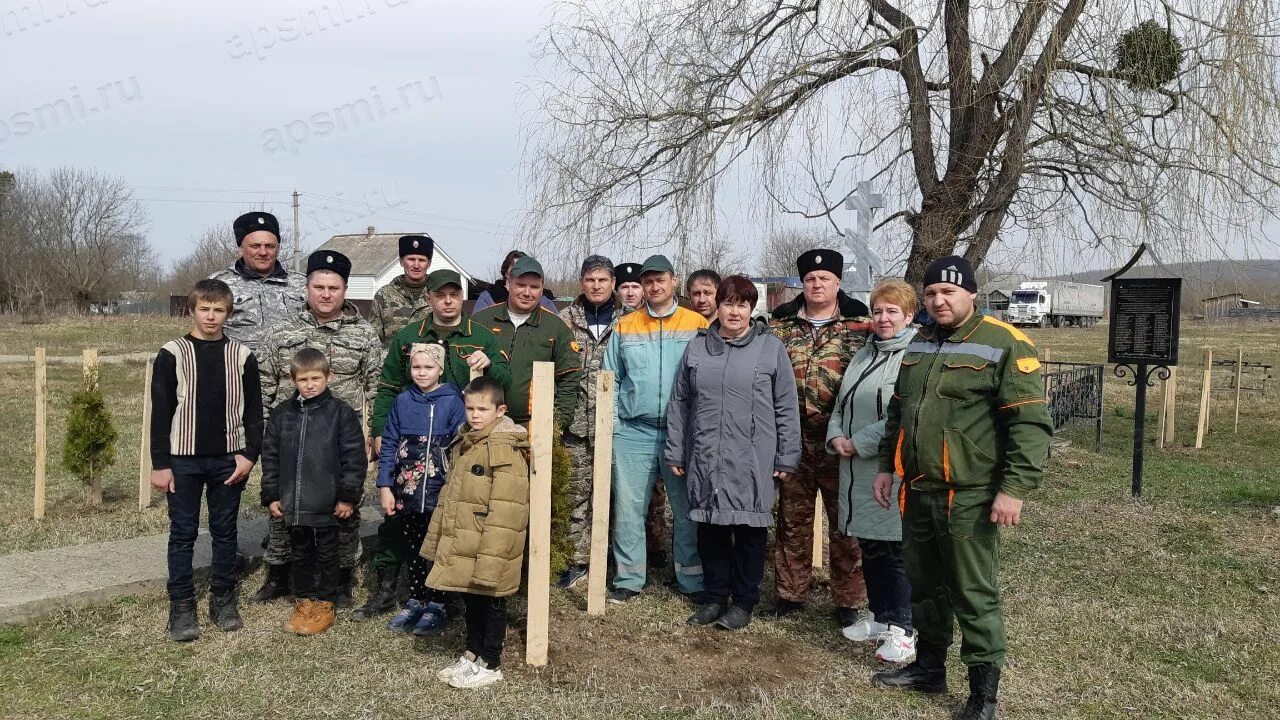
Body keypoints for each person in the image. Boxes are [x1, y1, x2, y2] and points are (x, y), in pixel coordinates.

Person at [869, 257, 1052, 720]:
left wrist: (1014, 489)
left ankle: (982, 696)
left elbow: (1030, 423)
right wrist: (887, 467)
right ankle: (930, 670)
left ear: (972, 294)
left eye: (948, 293)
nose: (938, 300)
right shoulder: (921, 343)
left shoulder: (1004, 343)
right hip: (919, 490)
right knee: (925, 586)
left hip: (969, 494)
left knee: (972, 591)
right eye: (931, 293)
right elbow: (899, 412)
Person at [357, 268, 509, 621]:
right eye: (440, 294)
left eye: (454, 294)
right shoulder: (410, 336)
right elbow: (389, 384)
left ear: (462, 298)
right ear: (429, 298)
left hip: (453, 451)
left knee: (452, 524)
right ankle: (390, 587)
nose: (447, 301)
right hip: (410, 448)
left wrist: (489, 367)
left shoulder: (482, 336)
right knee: (399, 523)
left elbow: (504, 382)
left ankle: (446, 594)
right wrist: (380, 429)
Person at [666, 276, 800, 630]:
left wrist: (787, 454)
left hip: (753, 457)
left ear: (751, 308)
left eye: (742, 304)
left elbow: (786, 405)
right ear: (717, 306)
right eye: (729, 303)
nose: (735, 311)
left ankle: (742, 601)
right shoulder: (697, 348)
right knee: (710, 530)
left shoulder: (770, 349)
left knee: (748, 531)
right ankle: (714, 598)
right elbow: (680, 402)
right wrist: (676, 451)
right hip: (706, 454)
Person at [254, 250, 382, 608]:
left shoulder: (364, 334)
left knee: (343, 510)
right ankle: (279, 574)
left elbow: (376, 385)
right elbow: (265, 383)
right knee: (283, 507)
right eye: (318, 286)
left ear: (345, 290)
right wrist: (263, 433)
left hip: (338, 443)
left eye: (334, 287)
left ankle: (341, 580)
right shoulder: (282, 331)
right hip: (290, 437)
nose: (326, 294)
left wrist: (376, 432)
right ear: (307, 287)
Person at [150, 279, 263, 642]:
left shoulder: (242, 356)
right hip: (182, 460)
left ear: (227, 313)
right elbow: (161, 412)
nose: (211, 316)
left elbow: (255, 413)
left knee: (224, 531)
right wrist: (160, 463)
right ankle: (182, 606)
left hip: (228, 460)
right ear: (192, 310)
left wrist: (249, 456)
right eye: (204, 309)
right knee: (182, 533)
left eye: (218, 310)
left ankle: (223, 599)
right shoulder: (173, 353)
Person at [766, 248, 871, 626]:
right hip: (791, 440)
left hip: (838, 441)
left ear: (838, 283)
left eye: (824, 279)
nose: (817, 284)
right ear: (802, 283)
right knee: (792, 520)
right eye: (810, 279)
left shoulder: (861, 325)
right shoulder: (780, 325)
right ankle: (791, 593)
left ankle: (847, 599)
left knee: (844, 523)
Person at [602, 254, 709, 604]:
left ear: (674, 281)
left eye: (660, 279)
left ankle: (691, 579)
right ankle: (630, 578)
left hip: (683, 433)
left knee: (686, 508)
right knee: (629, 507)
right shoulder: (625, 326)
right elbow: (610, 379)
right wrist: (616, 425)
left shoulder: (696, 323)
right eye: (648, 281)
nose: (654, 286)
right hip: (634, 431)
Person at [827, 279, 919, 663]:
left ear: (909, 316)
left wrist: (858, 442)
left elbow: (903, 413)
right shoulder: (866, 353)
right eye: (878, 311)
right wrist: (835, 435)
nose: (883, 318)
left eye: (892, 311)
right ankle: (881, 618)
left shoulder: (913, 356)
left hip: (886, 466)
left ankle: (904, 628)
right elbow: (842, 402)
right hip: (855, 468)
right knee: (872, 545)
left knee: (893, 549)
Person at [421, 377, 530, 689]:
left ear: (500, 410)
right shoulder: (468, 440)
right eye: (470, 407)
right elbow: (453, 494)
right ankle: (472, 653)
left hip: (491, 543)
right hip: (468, 538)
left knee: (493, 601)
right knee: (472, 599)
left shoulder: (503, 447)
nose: (475, 414)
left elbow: (507, 507)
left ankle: (491, 661)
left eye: (483, 409)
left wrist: (493, 554)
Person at [260, 348, 367, 636]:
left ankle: (326, 602)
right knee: (302, 553)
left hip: (328, 502)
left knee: (329, 555)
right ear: (293, 380)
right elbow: (270, 457)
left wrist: (347, 496)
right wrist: (271, 494)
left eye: (316, 378)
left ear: (328, 376)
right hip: (294, 502)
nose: (310, 384)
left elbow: (354, 458)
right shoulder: (283, 414)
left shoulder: (341, 414)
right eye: (303, 379)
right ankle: (304, 600)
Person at [377, 343, 467, 636]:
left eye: (429, 367)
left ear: (440, 368)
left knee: (439, 547)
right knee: (415, 546)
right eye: (417, 367)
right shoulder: (403, 401)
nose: (422, 373)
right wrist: (385, 486)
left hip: (441, 490)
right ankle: (417, 598)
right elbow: (389, 443)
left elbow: (461, 446)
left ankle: (439, 603)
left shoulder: (453, 402)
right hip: (409, 491)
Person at [557, 255, 626, 588]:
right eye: (590, 280)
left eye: (602, 280)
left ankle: (610, 558)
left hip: (617, 424)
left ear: (613, 282)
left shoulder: (630, 320)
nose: (596, 286)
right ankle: (575, 561)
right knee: (575, 496)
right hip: (576, 427)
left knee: (616, 497)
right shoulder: (564, 320)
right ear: (581, 283)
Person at [472, 255, 580, 430]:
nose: (527, 293)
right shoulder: (482, 321)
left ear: (542, 288)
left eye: (534, 287)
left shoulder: (556, 327)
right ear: (508, 284)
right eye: (521, 285)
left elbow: (569, 379)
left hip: (534, 427)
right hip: (485, 425)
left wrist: (556, 425)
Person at [209, 211, 306, 352]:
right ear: (241, 249)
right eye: (255, 246)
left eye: (269, 246)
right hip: (239, 370)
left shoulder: (302, 283)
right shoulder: (218, 284)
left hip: (292, 370)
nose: (263, 252)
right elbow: (205, 333)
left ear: (278, 248)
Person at [369, 234, 435, 347]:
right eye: (411, 259)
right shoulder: (384, 295)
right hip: (392, 362)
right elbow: (373, 339)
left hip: (428, 362)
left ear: (428, 264)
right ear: (401, 261)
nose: (416, 265)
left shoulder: (438, 294)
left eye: (422, 260)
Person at [471, 249, 558, 313]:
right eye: (515, 266)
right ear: (506, 272)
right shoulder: (489, 297)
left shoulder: (542, 300)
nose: (526, 293)